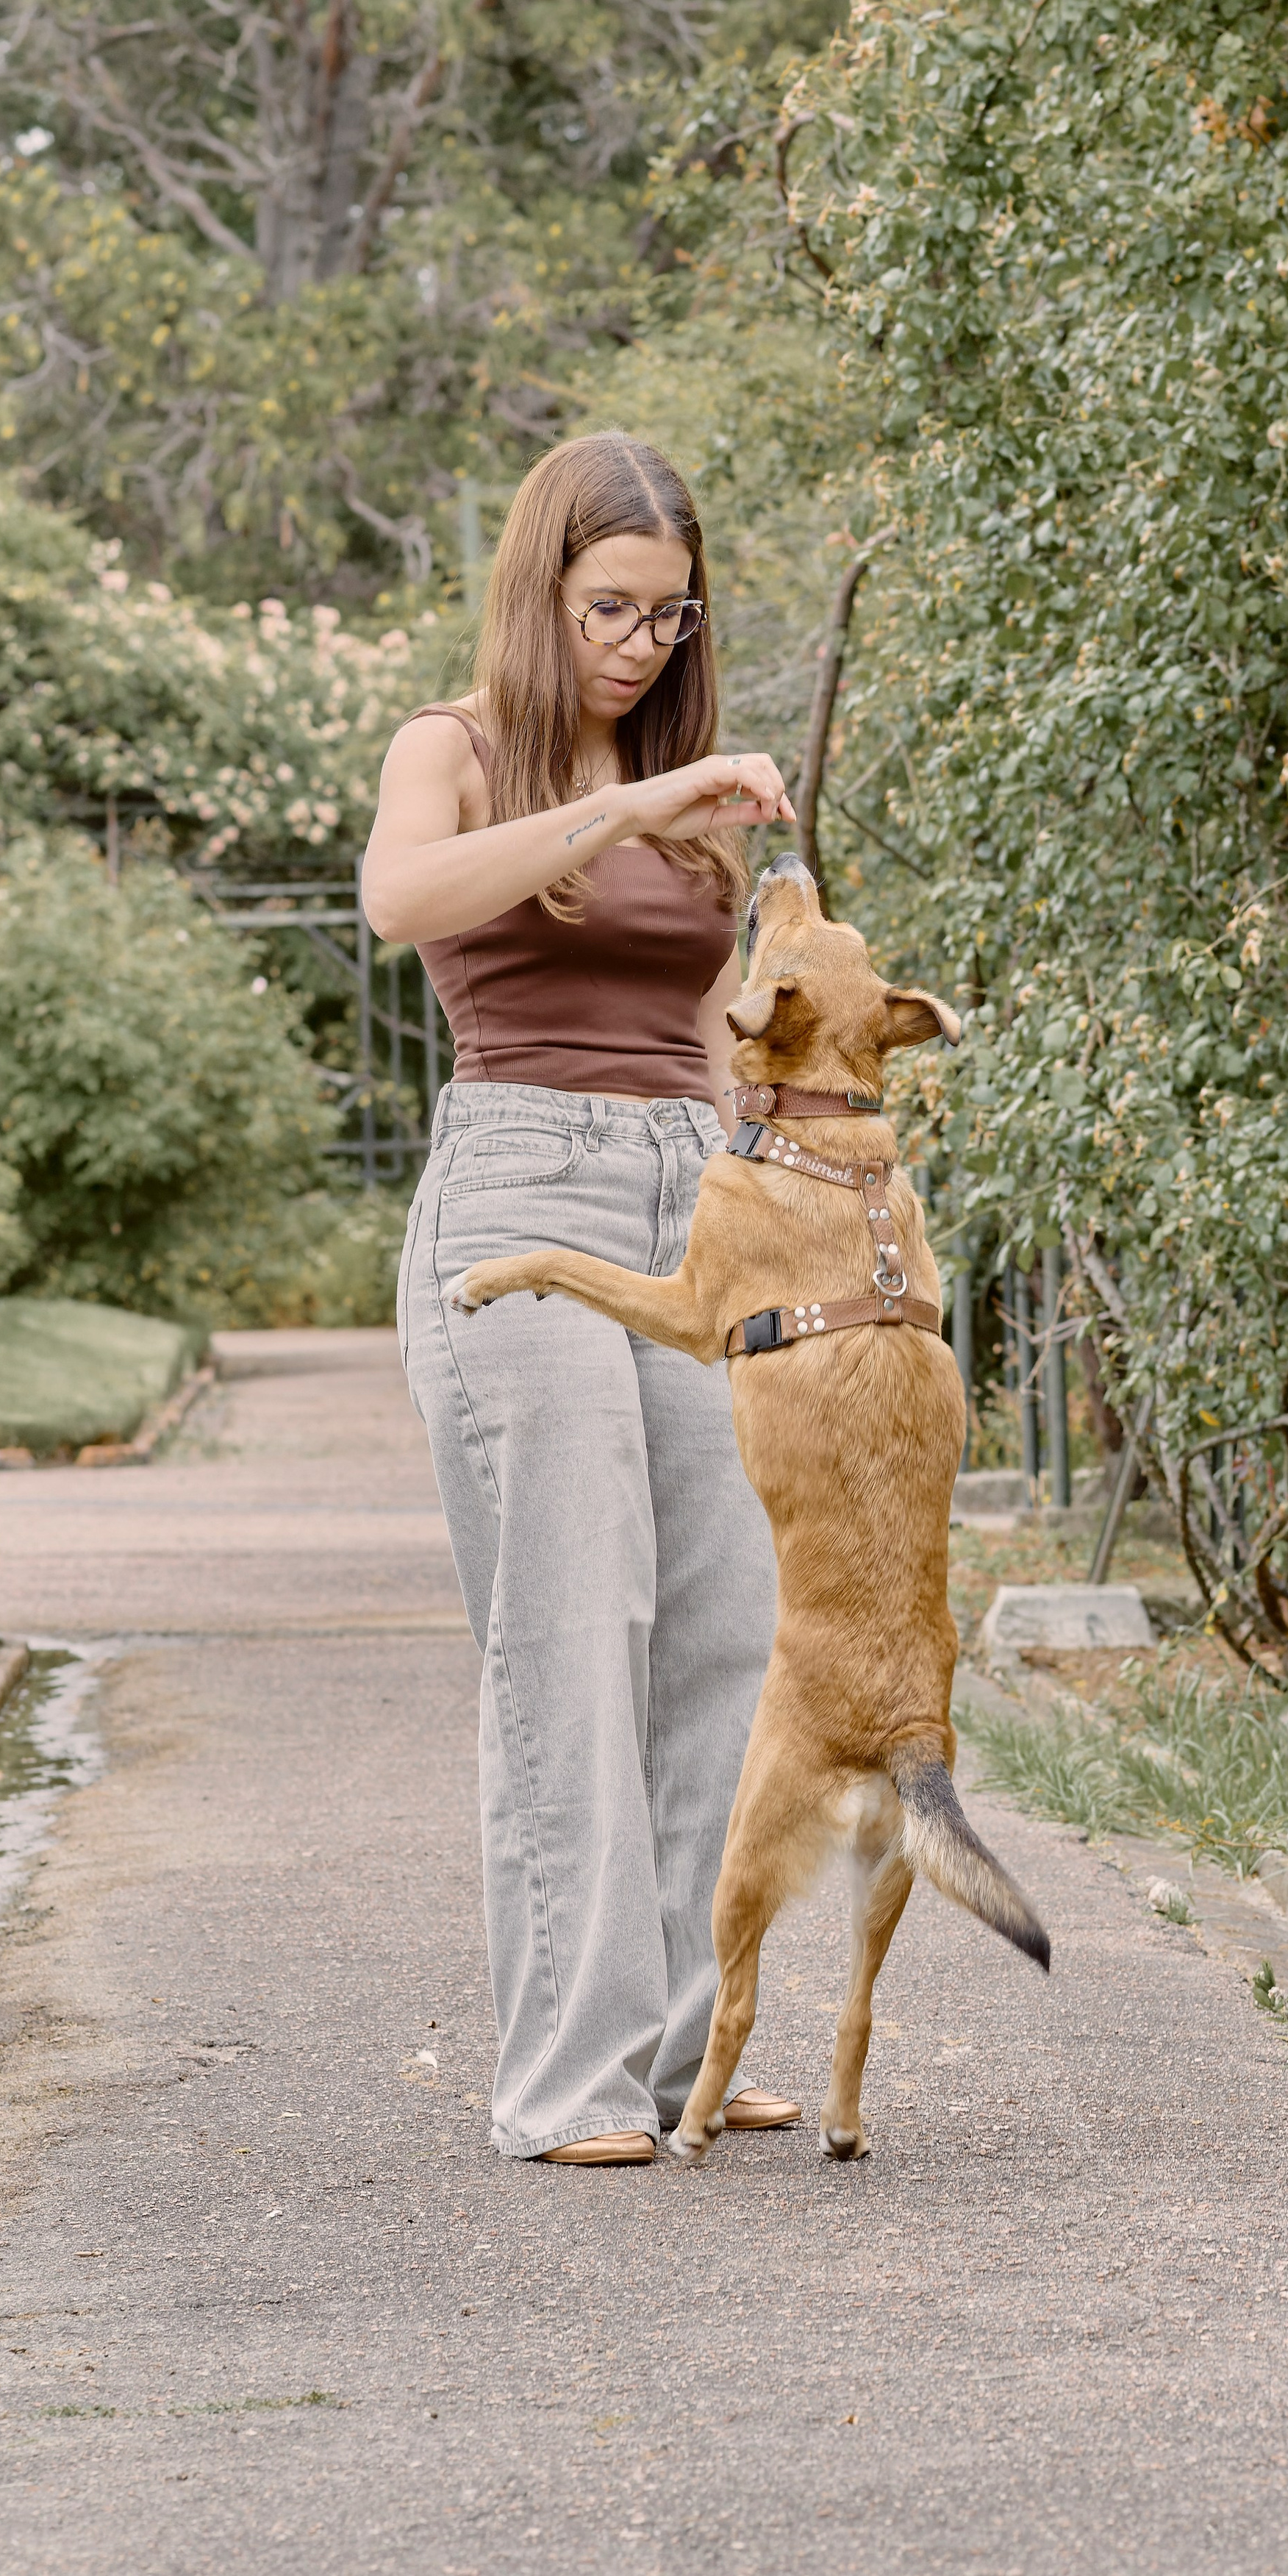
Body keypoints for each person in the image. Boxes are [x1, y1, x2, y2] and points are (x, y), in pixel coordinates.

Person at [365, 430, 800, 2166]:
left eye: (669, 616)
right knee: (571, 1625)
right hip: (518, 1189)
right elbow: (399, 899)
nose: (638, 644)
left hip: (684, 1194)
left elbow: (703, 1030)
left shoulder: (680, 787)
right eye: (609, 608)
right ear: (540, 588)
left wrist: (777, 1177)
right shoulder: (455, 749)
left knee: (725, 1625)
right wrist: (619, 805)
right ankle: (565, 2078)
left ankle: (695, 2048)